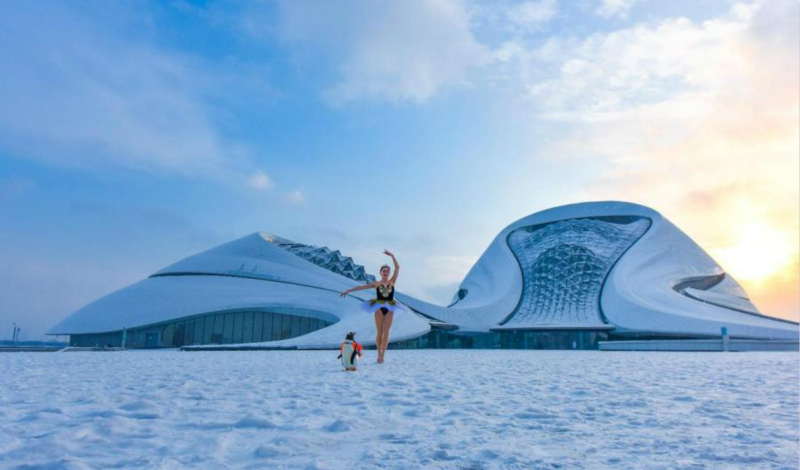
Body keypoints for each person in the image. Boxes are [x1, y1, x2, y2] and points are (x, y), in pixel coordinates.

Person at [339, 250, 407, 363]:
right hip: (378, 306)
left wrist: (392, 256)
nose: (385, 272)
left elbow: (397, 267)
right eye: (384, 271)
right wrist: (348, 290)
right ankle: (378, 353)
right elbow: (361, 287)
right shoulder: (376, 283)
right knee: (379, 332)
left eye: (387, 271)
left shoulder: (392, 282)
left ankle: (382, 356)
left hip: (390, 307)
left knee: (386, 332)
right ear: (380, 272)